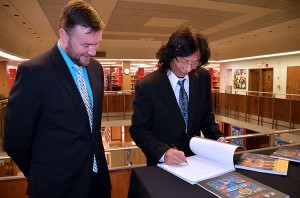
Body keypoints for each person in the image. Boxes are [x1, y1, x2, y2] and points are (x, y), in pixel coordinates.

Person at [4, 1, 111, 197]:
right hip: (56, 187)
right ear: (64, 35)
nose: (93, 51)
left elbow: (91, 131)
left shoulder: (96, 69)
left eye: (97, 44)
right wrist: (42, 174)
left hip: (97, 182)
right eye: (86, 44)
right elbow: (15, 141)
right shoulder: (33, 72)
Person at [129, 26, 226, 166]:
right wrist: (163, 152)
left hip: (196, 162)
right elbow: (139, 130)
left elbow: (206, 118)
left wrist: (218, 138)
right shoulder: (148, 86)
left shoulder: (202, 77)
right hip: (163, 165)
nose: (188, 68)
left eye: (195, 63)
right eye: (183, 61)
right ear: (170, 55)